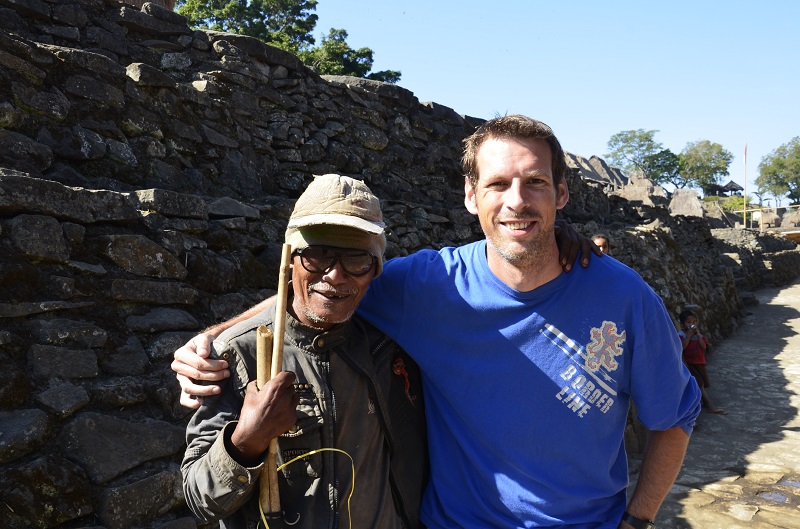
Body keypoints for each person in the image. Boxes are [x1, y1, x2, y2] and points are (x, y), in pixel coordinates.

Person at [175, 115, 701, 529]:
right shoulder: (429, 286)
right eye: (497, 184)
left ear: (562, 194)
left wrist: (637, 520)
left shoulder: (624, 296)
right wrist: (212, 339)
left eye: (535, 182)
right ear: (471, 196)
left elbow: (672, 418)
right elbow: (312, 295)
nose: (516, 200)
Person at [181, 174, 428, 529]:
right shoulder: (238, 355)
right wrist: (245, 442)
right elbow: (199, 500)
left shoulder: (388, 348)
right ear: (290, 260)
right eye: (317, 256)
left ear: (375, 270)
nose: (335, 276)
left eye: (356, 261)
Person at [678, 309, 725, 414]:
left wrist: (699, 336)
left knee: (704, 383)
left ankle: (702, 401)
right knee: (700, 383)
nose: (691, 325)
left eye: (694, 322)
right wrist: (689, 336)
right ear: (682, 324)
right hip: (690, 363)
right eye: (688, 322)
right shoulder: (681, 335)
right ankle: (710, 405)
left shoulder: (699, 335)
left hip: (701, 362)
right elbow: (682, 347)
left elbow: (703, 347)